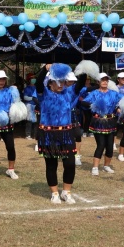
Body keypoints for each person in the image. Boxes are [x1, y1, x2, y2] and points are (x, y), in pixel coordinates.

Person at [35, 64, 78, 204]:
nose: (61, 84)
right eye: (57, 81)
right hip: (48, 134)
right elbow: (38, 83)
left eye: (63, 81)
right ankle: (54, 193)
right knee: (51, 165)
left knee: (70, 163)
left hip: (66, 134)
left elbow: (80, 84)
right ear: (50, 83)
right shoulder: (44, 95)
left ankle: (66, 192)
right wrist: (45, 69)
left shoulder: (68, 93)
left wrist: (82, 69)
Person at [80, 72, 124, 176]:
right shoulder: (94, 93)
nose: (104, 82)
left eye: (106, 80)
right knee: (101, 144)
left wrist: (121, 106)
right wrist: (93, 105)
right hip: (98, 121)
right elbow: (83, 102)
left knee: (110, 146)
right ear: (98, 82)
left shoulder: (113, 93)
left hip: (110, 121)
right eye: (102, 80)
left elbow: (123, 99)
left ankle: (106, 166)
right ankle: (95, 167)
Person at [23, 74, 39, 140]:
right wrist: (32, 98)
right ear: (29, 80)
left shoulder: (37, 87)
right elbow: (25, 97)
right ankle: (28, 135)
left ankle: (35, 135)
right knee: (29, 121)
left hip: (36, 105)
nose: (33, 79)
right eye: (32, 78)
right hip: (29, 105)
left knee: (36, 122)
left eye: (34, 78)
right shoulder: (27, 88)